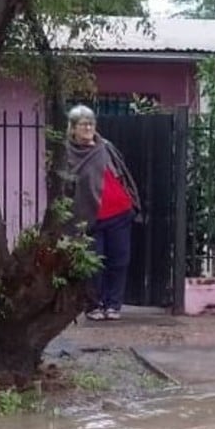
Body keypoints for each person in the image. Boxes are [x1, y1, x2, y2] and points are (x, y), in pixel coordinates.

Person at [66, 104, 141, 322]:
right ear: (73, 128)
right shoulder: (68, 153)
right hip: (89, 218)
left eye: (91, 123)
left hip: (119, 214)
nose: (89, 127)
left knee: (119, 260)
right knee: (92, 265)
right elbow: (66, 186)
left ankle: (113, 305)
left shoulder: (105, 146)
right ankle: (93, 305)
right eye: (83, 124)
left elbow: (122, 173)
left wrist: (131, 200)